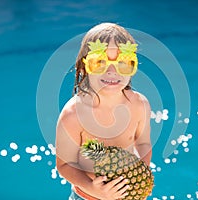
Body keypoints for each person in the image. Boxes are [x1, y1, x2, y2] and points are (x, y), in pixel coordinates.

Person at [56, 22, 152, 200]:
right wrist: (93, 188)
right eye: (99, 62)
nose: (111, 71)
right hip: (87, 196)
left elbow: (143, 144)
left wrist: (141, 176)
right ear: (85, 66)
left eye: (123, 63)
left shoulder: (140, 105)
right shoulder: (73, 115)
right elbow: (64, 165)